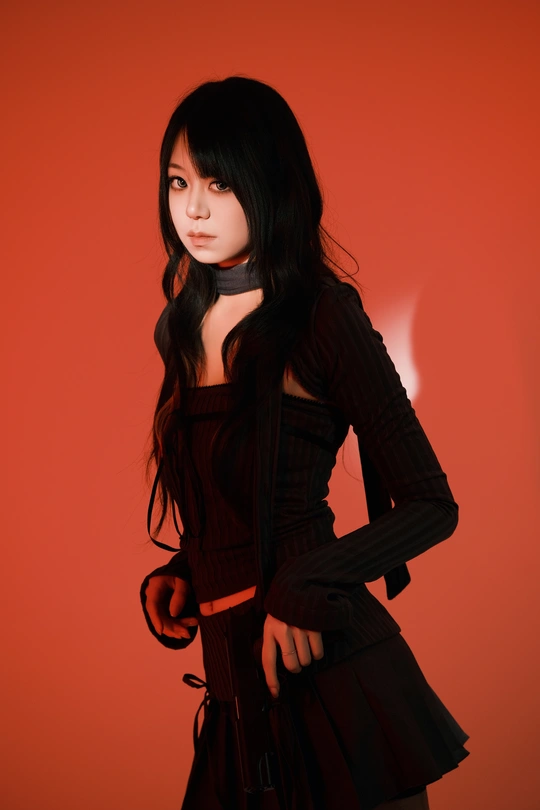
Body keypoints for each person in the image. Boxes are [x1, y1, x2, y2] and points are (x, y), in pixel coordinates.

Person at [139, 75, 470, 810]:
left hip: (332, 680)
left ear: (271, 184)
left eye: (220, 183)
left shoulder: (323, 316)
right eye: (179, 181)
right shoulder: (179, 326)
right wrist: (186, 568)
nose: (193, 209)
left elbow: (431, 505)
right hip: (235, 693)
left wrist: (306, 581)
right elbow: (234, 495)